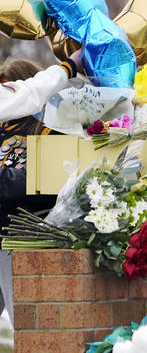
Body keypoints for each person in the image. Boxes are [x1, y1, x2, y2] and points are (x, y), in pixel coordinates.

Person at [0, 49, 83, 327]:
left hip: (20, 239)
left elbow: (52, 183)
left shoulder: (52, 127)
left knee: (24, 325)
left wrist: (68, 68)